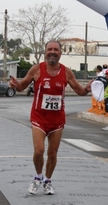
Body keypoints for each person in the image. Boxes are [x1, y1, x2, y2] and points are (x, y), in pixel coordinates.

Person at [9, 40, 93, 196]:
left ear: (60, 53)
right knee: (39, 151)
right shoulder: (36, 69)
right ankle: (38, 176)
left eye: (55, 49)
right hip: (39, 118)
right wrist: (16, 85)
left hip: (57, 120)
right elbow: (22, 86)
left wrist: (88, 88)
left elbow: (80, 91)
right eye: (49, 49)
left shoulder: (67, 72)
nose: (52, 52)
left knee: (53, 153)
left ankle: (47, 181)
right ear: (45, 52)